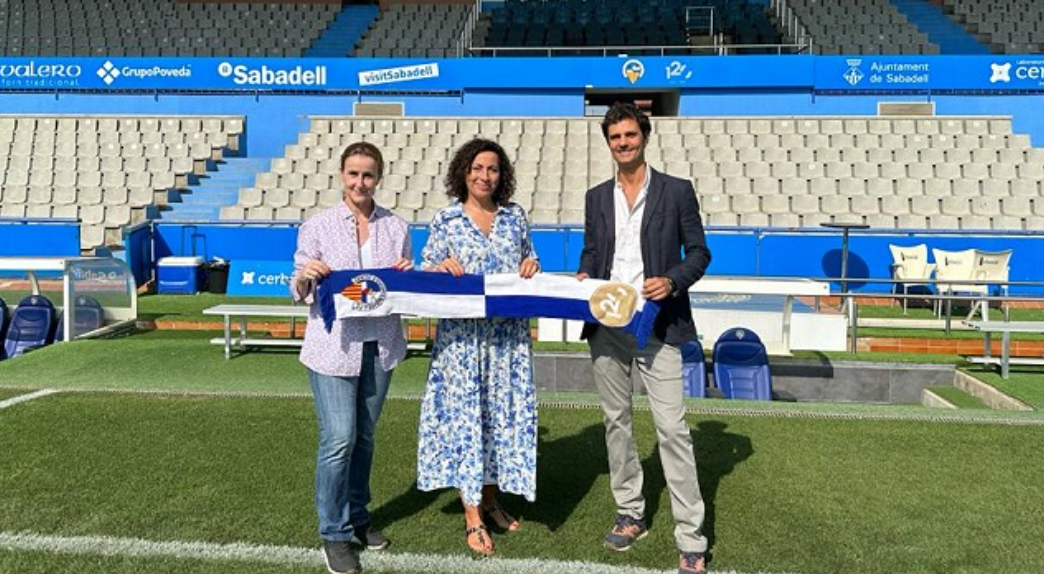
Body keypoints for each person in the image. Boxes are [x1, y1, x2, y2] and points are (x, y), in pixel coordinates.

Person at [576, 102, 713, 574]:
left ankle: (691, 536)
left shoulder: (677, 190)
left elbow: (699, 253)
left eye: (630, 135)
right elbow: (593, 252)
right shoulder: (596, 196)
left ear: (645, 137)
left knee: (672, 429)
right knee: (616, 422)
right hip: (607, 326)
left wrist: (672, 280)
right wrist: (585, 275)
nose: (623, 143)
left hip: (659, 325)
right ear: (608, 142)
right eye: (615, 137)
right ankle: (630, 512)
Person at [291, 141, 413, 574]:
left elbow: (402, 287)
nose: (360, 183)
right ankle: (334, 533)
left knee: (364, 438)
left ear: (379, 178)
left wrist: (407, 276)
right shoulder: (318, 226)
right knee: (339, 438)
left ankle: (359, 516)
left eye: (368, 175)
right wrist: (306, 276)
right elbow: (297, 286)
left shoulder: (396, 227)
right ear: (342, 176)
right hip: (333, 347)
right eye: (353, 174)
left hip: (380, 345)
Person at [416, 138, 540, 557]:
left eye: (492, 169)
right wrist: (438, 268)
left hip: (506, 343)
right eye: (477, 168)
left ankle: (490, 501)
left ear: (502, 175)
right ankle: (472, 515)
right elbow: (425, 271)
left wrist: (531, 265)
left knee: (498, 421)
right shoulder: (446, 220)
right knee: (468, 420)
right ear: (463, 172)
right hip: (462, 344)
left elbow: (529, 260)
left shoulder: (514, 217)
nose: (484, 176)